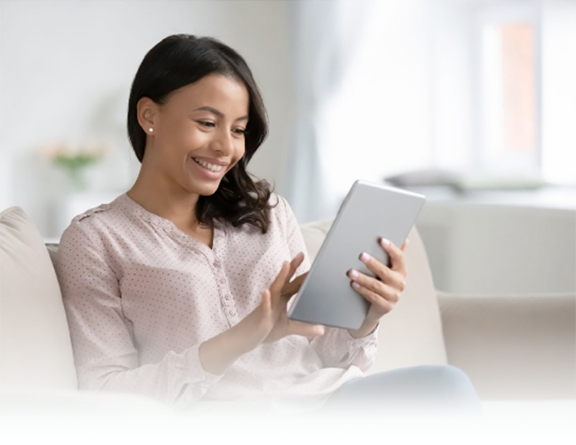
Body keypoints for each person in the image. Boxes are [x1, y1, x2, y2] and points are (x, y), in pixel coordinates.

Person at [54, 34, 481, 417]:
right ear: (149, 114)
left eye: (238, 130)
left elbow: (328, 355)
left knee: (446, 386)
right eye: (206, 123)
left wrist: (365, 317)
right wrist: (242, 337)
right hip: (223, 421)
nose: (225, 147)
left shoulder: (268, 211)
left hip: (327, 404)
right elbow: (104, 393)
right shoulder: (96, 240)